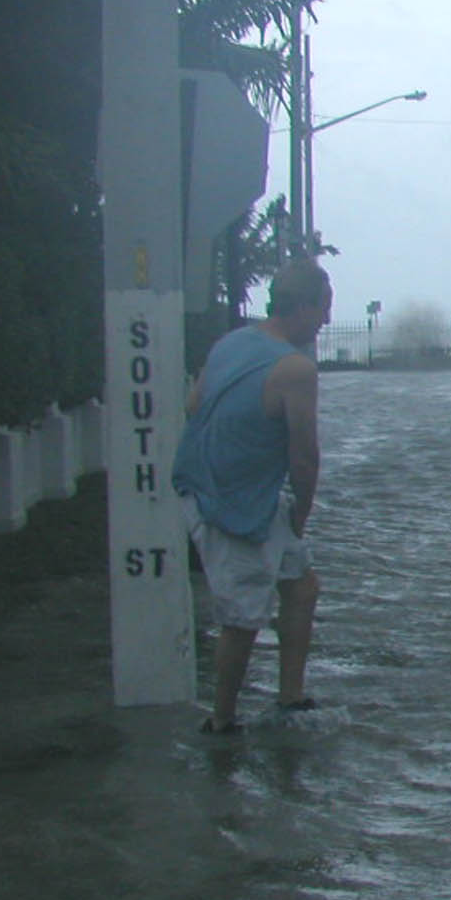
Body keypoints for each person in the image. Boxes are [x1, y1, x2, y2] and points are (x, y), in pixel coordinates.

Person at [171, 259, 331, 732]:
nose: (324, 321)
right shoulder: (296, 368)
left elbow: (193, 403)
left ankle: (291, 698)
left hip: (210, 486)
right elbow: (305, 456)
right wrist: (301, 513)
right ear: (303, 307)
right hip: (233, 504)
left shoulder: (232, 342)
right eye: (323, 311)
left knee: (302, 589)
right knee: (242, 621)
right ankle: (222, 723)